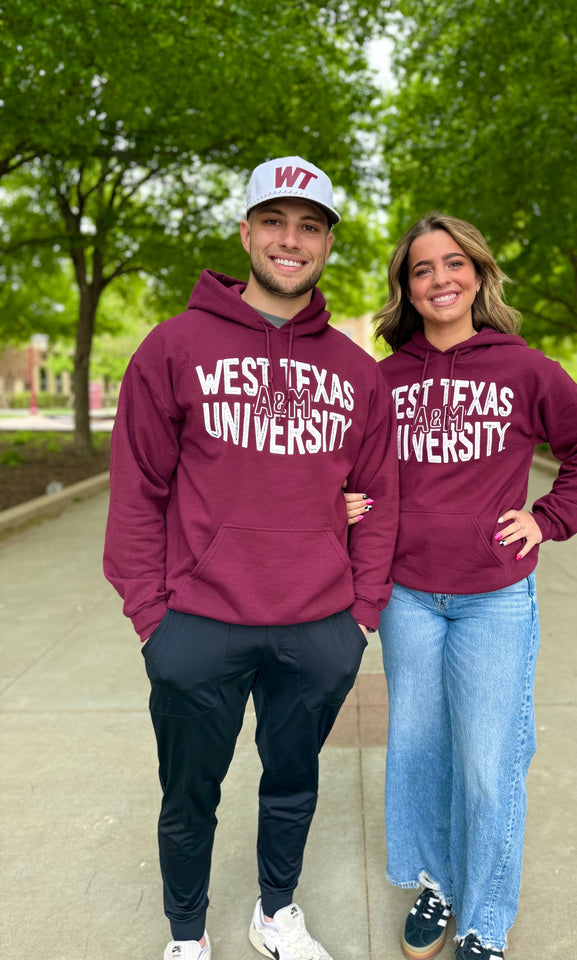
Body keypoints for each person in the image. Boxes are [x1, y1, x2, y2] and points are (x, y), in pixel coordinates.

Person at [103, 156, 399, 960]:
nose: (290, 239)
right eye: (274, 220)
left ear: (328, 244)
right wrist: (150, 619)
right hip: (198, 623)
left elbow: (378, 496)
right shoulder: (173, 348)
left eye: (310, 225)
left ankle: (275, 912)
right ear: (246, 231)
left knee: (293, 787)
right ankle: (187, 934)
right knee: (189, 794)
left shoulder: (354, 372)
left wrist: (360, 616)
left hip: (317, 626)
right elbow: (136, 493)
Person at [347, 212, 577, 959]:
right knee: (419, 746)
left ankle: (485, 919)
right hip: (408, 596)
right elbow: (346, 467)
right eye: (423, 268)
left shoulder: (523, 368)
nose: (441, 279)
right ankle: (435, 883)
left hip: (494, 596)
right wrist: (341, 504)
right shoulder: (384, 378)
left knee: (488, 756)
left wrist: (548, 518)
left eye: (454, 263)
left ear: (480, 274)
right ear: (406, 285)